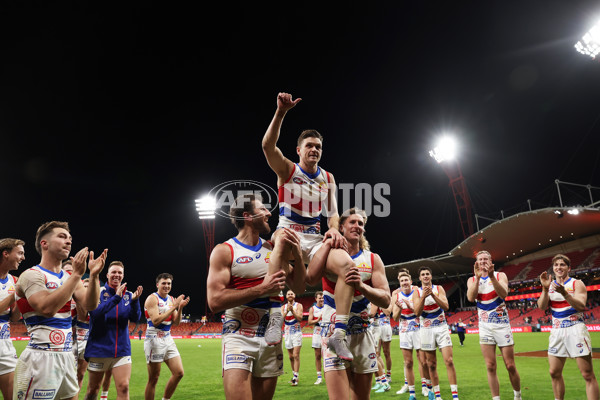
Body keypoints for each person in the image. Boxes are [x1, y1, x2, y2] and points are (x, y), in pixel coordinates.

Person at [261, 92, 347, 352]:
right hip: (287, 232)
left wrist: (333, 230)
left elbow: (332, 213)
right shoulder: (288, 170)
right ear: (299, 150)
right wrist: (281, 112)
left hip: (314, 238)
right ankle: (275, 316)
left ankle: (339, 331)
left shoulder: (328, 177)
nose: (314, 150)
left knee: (349, 267)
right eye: (309, 145)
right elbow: (267, 147)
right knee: (282, 239)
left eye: (318, 146)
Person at [206, 193, 306, 400]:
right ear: (248, 216)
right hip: (239, 334)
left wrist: (296, 253)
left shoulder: (272, 249)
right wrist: (262, 288)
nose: (269, 213)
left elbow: (299, 287)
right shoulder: (225, 251)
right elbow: (214, 301)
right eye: (262, 209)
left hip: (271, 336)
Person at [14, 221, 107, 400]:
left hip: (66, 356)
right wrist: (78, 275)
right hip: (40, 357)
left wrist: (94, 276)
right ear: (44, 243)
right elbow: (47, 308)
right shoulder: (31, 275)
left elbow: (91, 305)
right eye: (62, 237)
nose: (69, 241)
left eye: (70, 238)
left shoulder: (69, 277)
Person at [306, 208, 391, 400]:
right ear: (341, 227)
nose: (357, 226)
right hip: (332, 332)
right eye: (352, 222)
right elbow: (309, 278)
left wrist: (362, 286)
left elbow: (386, 299)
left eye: (360, 223)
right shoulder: (328, 254)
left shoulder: (372, 259)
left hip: (362, 334)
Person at [538, 254, 599, 400]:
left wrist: (565, 293)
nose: (559, 267)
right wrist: (545, 289)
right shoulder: (550, 286)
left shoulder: (576, 283)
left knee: (587, 374)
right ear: (553, 268)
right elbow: (541, 306)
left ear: (568, 268)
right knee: (554, 372)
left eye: (562, 265)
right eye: (556, 265)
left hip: (575, 329)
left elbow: (581, 305)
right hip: (557, 330)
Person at [84, 261, 143, 400]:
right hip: (99, 349)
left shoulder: (128, 295)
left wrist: (135, 301)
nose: (117, 275)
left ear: (123, 275)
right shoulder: (98, 292)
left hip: (122, 350)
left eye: (120, 273)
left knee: (124, 387)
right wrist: (116, 298)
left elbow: (136, 318)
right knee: (93, 390)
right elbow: (95, 314)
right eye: (114, 272)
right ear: (108, 274)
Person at [466, 250, 521, 400]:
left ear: (491, 261)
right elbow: (471, 297)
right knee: (490, 365)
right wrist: (478, 278)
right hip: (485, 327)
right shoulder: (471, 279)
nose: (483, 261)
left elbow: (504, 294)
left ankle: (517, 395)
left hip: (502, 325)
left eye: (485, 259)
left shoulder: (500, 275)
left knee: (510, 365)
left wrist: (490, 276)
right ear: (476, 263)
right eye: (480, 259)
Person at [413, 266, 458, 400]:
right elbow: (417, 312)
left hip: (441, 327)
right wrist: (423, 297)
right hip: (426, 329)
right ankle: (437, 396)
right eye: (423, 274)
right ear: (420, 278)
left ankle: (455, 396)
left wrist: (432, 294)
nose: (425, 276)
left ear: (431, 276)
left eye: (427, 274)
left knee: (449, 361)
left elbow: (446, 306)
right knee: (431, 364)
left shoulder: (439, 289)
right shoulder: (417, 292)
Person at [144, 272, 190, 400]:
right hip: (154, 339)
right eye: (164, 283)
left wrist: (179, 308)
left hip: (168, 338)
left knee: (179, 373)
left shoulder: (170, 299)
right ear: (157, 284)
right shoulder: (152, 298)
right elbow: (156, 321)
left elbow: (176, 322)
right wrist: (174, 307)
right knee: (154, 378)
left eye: (169, 283)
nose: (166, 286)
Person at [392, 269, 430, 400]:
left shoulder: (416, 292)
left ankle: (425, 386)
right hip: (404, 330)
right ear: (399, 283)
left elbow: (420, 311)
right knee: (408, 362)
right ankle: (411, 392)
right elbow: (395, 318)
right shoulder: (397, 296)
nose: (404, 282)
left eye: (406, 280)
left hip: (418, 328)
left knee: (422, 361)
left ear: (410, 281)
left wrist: (409, 305)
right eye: (402, 281)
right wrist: (401, 308)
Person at [0, 238, 25, 400]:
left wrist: (20, 299)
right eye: (20, 253)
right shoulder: (15, 286)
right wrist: (14, 294)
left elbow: (15, 317)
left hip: (5, 346)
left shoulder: (14, 281)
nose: (23, 257)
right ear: (6, 254)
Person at [283, 290, 303, 386]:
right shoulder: (283, 307)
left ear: (294, 295)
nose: (290, 295)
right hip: (287, 333)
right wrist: (287, 311)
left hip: (296, 332)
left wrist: (292, 311)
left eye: (292, 293)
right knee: (291, 357)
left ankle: (295, 377)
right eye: (288, 294)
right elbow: (280, 320)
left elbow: (299, 318)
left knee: (295, 355)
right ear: (286, 296)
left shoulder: (299, 305)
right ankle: (294, 375)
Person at [74, 278, 91, 388]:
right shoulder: (72, 303)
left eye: (89, 288)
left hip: (87, 343)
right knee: (68, 374)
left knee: (80, 375)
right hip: (72, 342)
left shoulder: (96, 305)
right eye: (84, 287)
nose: (86, 290)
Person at [307, 291, 325, 385]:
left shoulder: (327, 307)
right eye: (320, 298)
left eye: (322, 298)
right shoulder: (313, 309)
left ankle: (328, 376)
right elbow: (309, 322)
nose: (321, 299)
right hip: (317, 332)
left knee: (327, 355)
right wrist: (318, 319)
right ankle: (319, 377)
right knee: (317, 355)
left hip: (326, 332)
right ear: (316, 299)